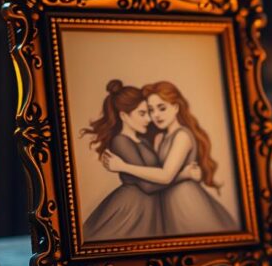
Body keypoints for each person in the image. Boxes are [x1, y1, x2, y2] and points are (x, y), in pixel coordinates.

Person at [102, 80, 239, 235]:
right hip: (166, 205)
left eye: (162, 108)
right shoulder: (159, 137)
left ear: (175, 107)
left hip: (186, 201)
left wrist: (123, 167)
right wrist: (185, 174)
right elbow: (153, 176)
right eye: (151, 110)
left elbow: (165, 176)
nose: (155, 116)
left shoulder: (182, 136)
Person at [81, 80, 201, 241]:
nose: (149, 119)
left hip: (148, 209)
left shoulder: (144, 141)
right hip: (131, 209)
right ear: (124, 115)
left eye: (148, 112)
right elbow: (149, 186)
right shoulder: (120, 141)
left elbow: (159, 173)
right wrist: (184, 175)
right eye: (142, 113)